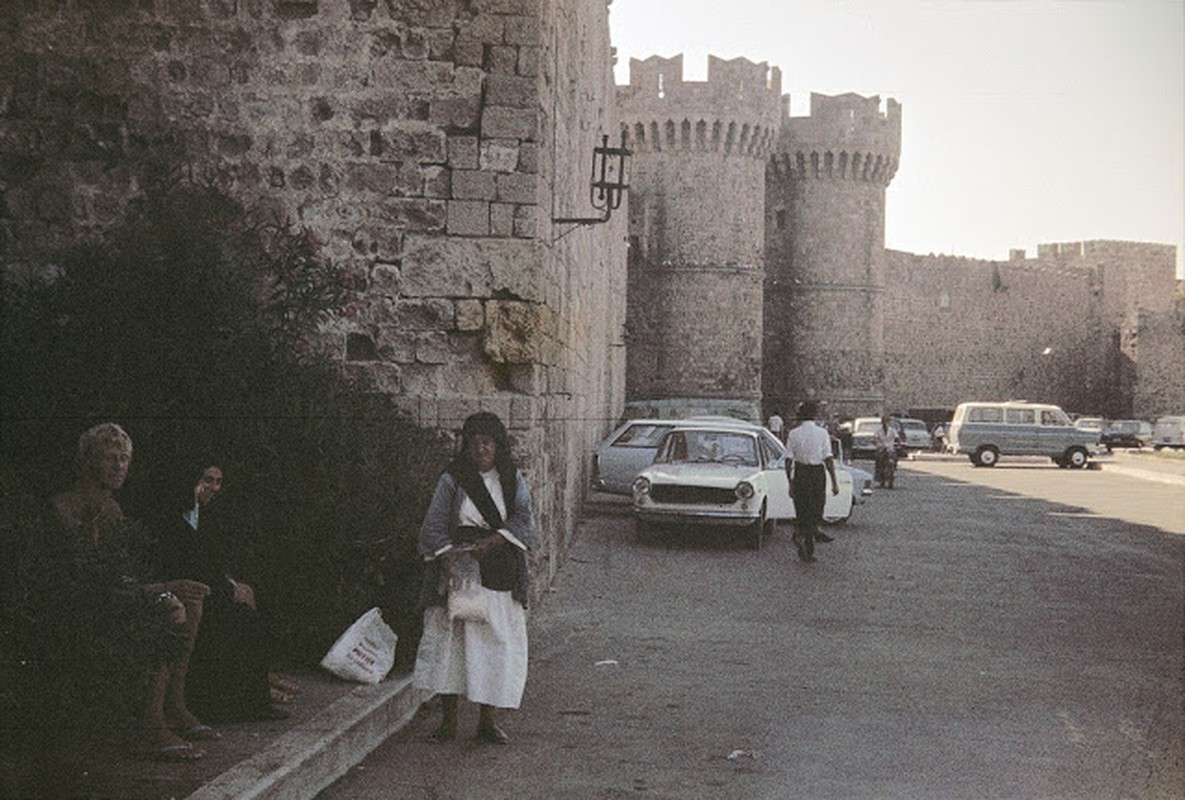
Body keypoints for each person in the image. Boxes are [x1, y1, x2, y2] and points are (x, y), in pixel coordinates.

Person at [27, 423, 217, 761]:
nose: (119, 467)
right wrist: (160, 589)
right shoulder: (63, 509)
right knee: (170, 607)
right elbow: (88, 586)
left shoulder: (113, 510)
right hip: (77, 609)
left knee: (191, 600)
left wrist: (156, 587)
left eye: (125, 459)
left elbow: (121, 575)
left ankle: (175, 705)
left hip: (109, 598)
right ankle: (151, 726)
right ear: (87, 462)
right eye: (110, 458)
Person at [412, 411, 538, 745]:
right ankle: (448, 722)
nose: (481, 449)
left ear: (498, 446)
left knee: (494, 646)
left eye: (487, 442)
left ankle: (487, 721)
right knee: (452, 648)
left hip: (498, 573)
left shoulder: (511, 479)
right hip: (460, 572)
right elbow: (433, 527)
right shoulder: (453, 479)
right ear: (466, 446)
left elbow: (525, 522)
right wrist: (453, 556)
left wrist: (494, 540)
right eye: (474, 442)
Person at [155, 464, 294, 723]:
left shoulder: (204, 514)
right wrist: (226, 588)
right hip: (184, 588)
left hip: (206, 586)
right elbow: (181, 563)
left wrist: (228, 583)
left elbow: (212, 560)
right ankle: (250, 695)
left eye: (218, 482)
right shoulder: (174, 515)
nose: (214, 488)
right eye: (208, 480)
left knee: (247, 603)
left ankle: (257, 689)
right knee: (238, 613)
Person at [784, 402, 839, 562]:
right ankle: (813, 535)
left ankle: (803, 538)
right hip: (817, 473)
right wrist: (834, 482)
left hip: (801, 472)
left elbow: (788, 461)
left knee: (802, 508)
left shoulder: (793, 433)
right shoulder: (822, 433)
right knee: (816, 506)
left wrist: (790, 482)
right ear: (814, 415)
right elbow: (828, 459)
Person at [873, 415, 900, 488]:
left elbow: (897, 438)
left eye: (887, 421)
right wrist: (877, 443)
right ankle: (880, 478)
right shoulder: (878, 431)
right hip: (881, 448)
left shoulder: (892, 430)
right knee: (879, 461)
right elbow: (875, 438)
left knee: (894, 458)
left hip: (890, 448)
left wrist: (898, 444)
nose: (885, 423)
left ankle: (893, 470)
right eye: (884, 422)